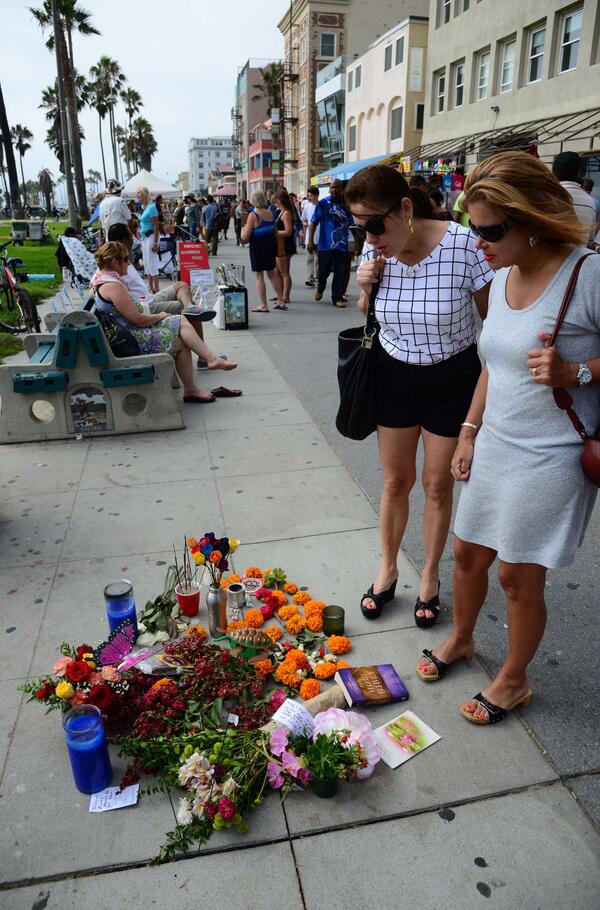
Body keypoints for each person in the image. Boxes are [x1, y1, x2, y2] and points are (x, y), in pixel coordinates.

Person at [415, 150, 600, 726]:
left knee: (516, 574)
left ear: (534, 219)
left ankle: (515, 679)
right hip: (496, 440)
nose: (479, 242)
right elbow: (493, 367)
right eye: (473, 228)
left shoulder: (588, 273)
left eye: (491, 230)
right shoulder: (498, 281)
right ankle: (463, 640)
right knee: (468, 554)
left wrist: (579, 372)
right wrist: (468, 433)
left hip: (555, 452)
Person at [345, 164, 493, 625]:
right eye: (359, 228)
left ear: (405, 208)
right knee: (395, 482)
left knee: (436, 484)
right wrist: (365, 287)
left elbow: (493, 321)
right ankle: (387, 570)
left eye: (374, 224)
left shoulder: (464, 245)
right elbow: (371, 314)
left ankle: (429, 576)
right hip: (392, 373)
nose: (369, 237)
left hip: (452, 376)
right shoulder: (377, 253)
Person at [90, 241, 236, 403]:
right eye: (126, 259)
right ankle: (195, 382)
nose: (129, 263)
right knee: (182, 341)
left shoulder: (102, 280)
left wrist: (161, 316)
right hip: (134, 341)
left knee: (180, 319)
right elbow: (138, 320)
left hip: (129, 334)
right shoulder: (113, 286)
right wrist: (160, 316)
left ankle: (210, 361)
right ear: (115, 262)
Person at [308, 178, 354, 308]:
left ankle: (337, 297)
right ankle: (320, 287)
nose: (334, 190)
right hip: (324, 245)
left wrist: (357, 243)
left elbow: (353, 225)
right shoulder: (323, 204)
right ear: (329, 189)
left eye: (337, 187)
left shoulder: (347, 206)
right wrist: (311, 241)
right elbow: (313, 223)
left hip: (342, 245)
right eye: (332, 187)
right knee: (324, 270)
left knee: (340, 271)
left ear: (342, 190)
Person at [241, 190, 284, 313]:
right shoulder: (270, 213)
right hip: (270, 246)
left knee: (259, 276)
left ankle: (263, 305)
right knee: (272, 274)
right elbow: (275, 231)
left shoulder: (253, 215)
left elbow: (245, 237)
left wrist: (242, 231)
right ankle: (280, 300)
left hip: (257, 248)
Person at [552, 152, 596, 246]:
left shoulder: (549, 195)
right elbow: (590, 240)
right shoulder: (591, 202)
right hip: (579, 258)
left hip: (550, 258)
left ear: (554, 170)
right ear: (578, 173)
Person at [274, 187, 297, 308]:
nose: (274, 202)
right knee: (278, 271)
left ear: (280, 200)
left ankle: (285, 296)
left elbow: (288, 231)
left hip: (285, 245)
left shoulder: (286, 213)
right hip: (281, 245)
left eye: (276, 200)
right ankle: (281, 295)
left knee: (284, 272)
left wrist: (276, 233)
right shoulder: (282, 212)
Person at [136, 186, 160, 294]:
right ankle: (151, 289)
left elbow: (156, 225)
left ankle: (157, 288)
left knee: (151, 262)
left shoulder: (151, 207)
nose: (137, 195)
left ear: (144, 194)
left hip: (151, 236)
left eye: (139, 193)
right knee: (146, 263)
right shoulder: (144, 207)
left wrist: (155, 242)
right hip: (144, 238)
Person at [302, 186, 319, 286]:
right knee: (310, 258)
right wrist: (305, 224)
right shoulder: (307, 207)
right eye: (308, 196)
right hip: (309, 237)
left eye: (311, 196)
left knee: (318, 259)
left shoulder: (321, 206)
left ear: (317, 195)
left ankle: (318, 277)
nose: (309, 198)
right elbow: (303, 219)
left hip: (320, 237)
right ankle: (310, 277)